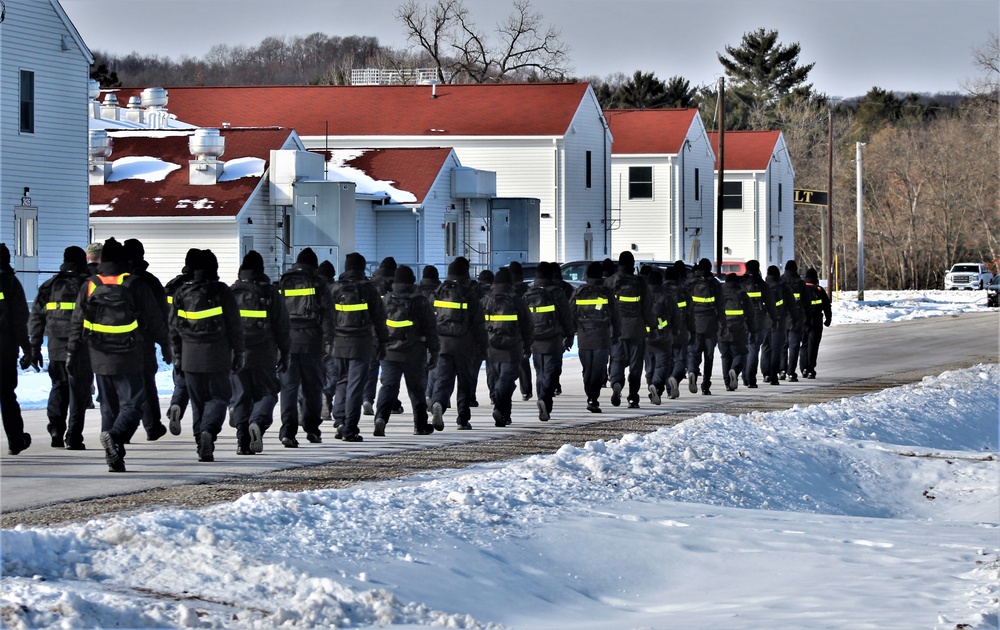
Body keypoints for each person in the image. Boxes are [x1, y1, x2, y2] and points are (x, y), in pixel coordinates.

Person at [68, 237, 171, 472]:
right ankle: (115, 437)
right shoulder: (135, 284)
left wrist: (72, 353)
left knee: (108, 405)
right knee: (133, 403)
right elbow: (155, 321)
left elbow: (77, 322)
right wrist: (166, 345)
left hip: (98, 353)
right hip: (129, 352)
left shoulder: (90, 285)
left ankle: (115, 456)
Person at [170, 249, 243, 462]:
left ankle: (200, 441)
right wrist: (238, 353)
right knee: (219, 397)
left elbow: (173, 329)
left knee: (197, 402)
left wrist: (177, 357)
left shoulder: (181, 293)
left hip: (190, 356)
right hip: (218, 354)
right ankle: (208, 433)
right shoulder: (221, 291)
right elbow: (234, 326)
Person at [28, 246, 92, 449]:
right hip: (82, 345)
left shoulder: (50, 285)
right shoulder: (88, 285)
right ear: (82, 262)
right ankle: (73, 436)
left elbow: (37, 318)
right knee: (79, 391)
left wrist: (35, 346)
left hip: (55, 345)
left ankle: (55, 428)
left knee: (59, 386)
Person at [229, 251, 290, 454]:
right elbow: (282, 326)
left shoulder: (231, 292)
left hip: (236, 352)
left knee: (241, 396)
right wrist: (285, 352)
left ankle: (242, 441)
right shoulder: (270, 292)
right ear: (261, 269)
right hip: (264, 351)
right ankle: (258, 422)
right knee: (268, 392)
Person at [277, 248, 334, 447]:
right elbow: (328, 316)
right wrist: (329, 341)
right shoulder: (319, 284)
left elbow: (276, 314)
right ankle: (312, 429)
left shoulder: (283, 282)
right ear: (314, 266)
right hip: (312, 342)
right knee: (313, 389)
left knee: (288, 389)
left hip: (287, 343)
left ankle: (287, 432)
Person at [374, 265, 438, 436]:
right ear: (412, 281)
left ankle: (380, 418)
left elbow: (377, 326)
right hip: (414, 353)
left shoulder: (386, 299)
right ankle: (420, 425)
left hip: (388, 353)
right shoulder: (420, 301)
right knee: (416, 389)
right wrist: (434, 352)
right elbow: (431, 329)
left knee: (388, 387)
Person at [330, 252, 386, 442]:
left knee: (342, 381)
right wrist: (382, 342)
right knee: (356, 386)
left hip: (338, 342)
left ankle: (339, 420)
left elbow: (327, 317)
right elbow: (379, 319)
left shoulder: (335, 288)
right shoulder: (369, 290)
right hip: (362, 343)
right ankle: (350, 428)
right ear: (362, 268)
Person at [121, 238, 170, 442]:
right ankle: (152, 426)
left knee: (120, 386)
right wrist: (165, 343)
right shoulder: (149, 281)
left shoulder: (112, 280)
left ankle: (118, 427)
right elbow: (160, 314)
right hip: (143, 341)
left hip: (111, 342)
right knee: (147, 384)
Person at [430, 257, 486, 430]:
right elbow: (478, 323)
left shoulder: (437, 292)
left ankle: (438, 402)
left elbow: (428, 318)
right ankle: (462, 418)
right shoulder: (469, 293)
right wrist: (482, 345)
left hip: (442, 344)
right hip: (464, 344)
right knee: (465, 382)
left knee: (443, 378)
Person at [481, 267, 533, 427]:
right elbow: (528, 325)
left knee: (499, 379)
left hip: (491, 347)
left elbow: (477, 323)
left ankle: (504, 415)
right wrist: (527, 344)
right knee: (506, 381)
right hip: (512, 348)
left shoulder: (485, 300)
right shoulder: (516, 300)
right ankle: (499, 407)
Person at [524, 262, 574, 421]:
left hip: (535, 339)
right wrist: (570, 335)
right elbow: (566, 316)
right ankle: (544, 399)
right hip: (553, 338)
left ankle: (541, 399)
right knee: (551, 371)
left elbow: (524, 319)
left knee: (540, 371)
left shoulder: (528, 293)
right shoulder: (557, 293)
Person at [606, 251, 655, 408]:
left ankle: (616, 384)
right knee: (636, 365)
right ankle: (633, 397)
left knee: (616, 360)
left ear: (619, 265)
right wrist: (652, 326)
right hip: (636, 328)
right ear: (633, 265)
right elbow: (647, 307)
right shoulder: (640, 282)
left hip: (616, 329)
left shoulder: (609, 282)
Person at [570, 261, 620, 412]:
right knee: (598, 370)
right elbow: (615, 315)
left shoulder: (579, 291)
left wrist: (570, 333)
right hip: (602, 336)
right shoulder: (607, 292)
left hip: (584, 336)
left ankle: (590, 396)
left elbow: (570, 313)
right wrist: (616, 333)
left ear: (586, 275)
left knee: (587, 369)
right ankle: (593, 398)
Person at [1, 243, 33, 455]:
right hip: (4, 348)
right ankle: (15, 440)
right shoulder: (10, 282)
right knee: (6, 395)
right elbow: (19, 320)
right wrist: (27, 348)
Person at [164, 249, 196, 434]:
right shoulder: (203, 285)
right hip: (198, 338)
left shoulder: (172, 285)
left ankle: (176, 405)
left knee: (181, 377)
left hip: (175, 335)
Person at [684, 258, 727, 395]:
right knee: (709, 356)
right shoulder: (714, 284)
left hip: (694, 323)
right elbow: (720, 306)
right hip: (710, 323)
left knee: (693, 352)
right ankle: (706, 385)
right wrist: (723, 323)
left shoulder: (689, 283)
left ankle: (692, 372)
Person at [739, 260, 777, 388]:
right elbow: (771, 304)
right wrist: (774, 319)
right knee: (753, 349)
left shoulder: (740, 283)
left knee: (743, 349)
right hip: (757, 321)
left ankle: (744, 376)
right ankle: (750, 379)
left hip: (741, 320)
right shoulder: (762, 284)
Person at [643, 269, 679, 403]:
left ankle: (650, 387)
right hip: (663, 336)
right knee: (662, 365)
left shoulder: (643, 296)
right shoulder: (667, 297)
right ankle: (656, 387)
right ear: (661, 281)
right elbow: (676, 316)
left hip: (646, 336)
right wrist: (675, 331)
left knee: (649, 365)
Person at [718, 273, 756, 391]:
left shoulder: (719, 293)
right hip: (739, 330)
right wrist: (752, 331)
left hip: (722, 330)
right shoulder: (742, 294)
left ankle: (727, 384)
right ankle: (734, 370)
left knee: (725, 356)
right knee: (740, 354)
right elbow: (750, 315)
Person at [762, 265, 797, 386]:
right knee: (776, 349)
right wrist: (795, 319)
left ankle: (765, 374)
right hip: (779, 322)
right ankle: (773, 376)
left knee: (765, 348)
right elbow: (792, 305)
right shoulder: (783, 288)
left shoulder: (762, 286)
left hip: (764, 322)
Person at [661, 265, 689, 399]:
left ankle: (668, 389)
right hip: (680, 329)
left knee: (666, 360)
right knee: (680, 359)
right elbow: (690, 312)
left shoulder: (661, 291)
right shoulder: (683, 291)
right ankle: (675, 377)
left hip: (663, 330)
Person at [780, 260, 811, 382]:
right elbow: (807, 303)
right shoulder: (800, 283)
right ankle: (791, 372)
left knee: (782, 346)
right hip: (796, 319)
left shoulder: (780, 282)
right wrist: (807, 318)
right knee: (794, 347)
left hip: (782, 319)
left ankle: (781, 370)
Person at [800, 268, 832, 379]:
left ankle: (803, 368)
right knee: (813, 346)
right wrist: (828, 319)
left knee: (804, 345)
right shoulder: (819, 290)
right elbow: (827, 306)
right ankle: (810, 370)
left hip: (802, 321)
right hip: (816, 320)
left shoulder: (801, 289)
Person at [508, 260, 533, 402]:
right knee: (524, 362)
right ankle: (526, 390)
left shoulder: (506, 291)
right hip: (521, 330)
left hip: (504, 331)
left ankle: (498, 391)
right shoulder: (526, 289)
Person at [316, 259, 338, 423]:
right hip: (334, 339)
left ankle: (311, 404)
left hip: (313, 338)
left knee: (315, 374)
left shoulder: (312, 287)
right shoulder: (337, 289)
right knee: (333, 374)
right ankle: (327, 395)